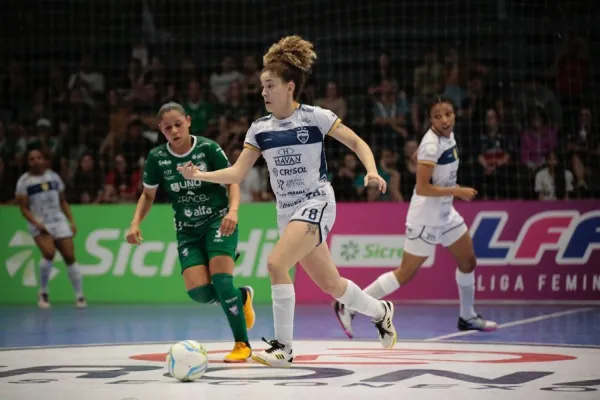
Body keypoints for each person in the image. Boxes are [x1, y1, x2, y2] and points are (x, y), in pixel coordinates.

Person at [178, 35, 397, 368]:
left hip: (317, 201)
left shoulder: (316, 117)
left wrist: (371, 171)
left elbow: (357, 142)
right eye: (262, 87)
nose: (263, 92)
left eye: (270, 86)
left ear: (290, 87)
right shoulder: (259, 129)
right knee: (332, 285)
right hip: (287, 212)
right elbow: (237, 173)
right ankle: (381, 311)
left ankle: (284, 348)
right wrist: (199, 175)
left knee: (276, 263)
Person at [333, 95, 498, 338]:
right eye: (438, 116)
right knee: (405, 273)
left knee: (468, 261)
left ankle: (467, 316)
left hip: (445, 213)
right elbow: (422, 188)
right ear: (430, 119)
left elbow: (426, 161)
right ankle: (348, 305)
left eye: (448, 114)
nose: (444, 120)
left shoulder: (446, 136)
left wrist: (424, 161)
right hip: (425, 217)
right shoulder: (432, 145)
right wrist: (457, 191)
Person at [126, 102, 255, 363]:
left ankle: (242, 344)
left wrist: (233, 212)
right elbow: (148, 195)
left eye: (178, 124)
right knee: (199, 292)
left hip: (218, 221)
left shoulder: (208, 148)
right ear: (160, 130)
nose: (174, 130)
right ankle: (241, 296)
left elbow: (232, 180)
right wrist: (135, 223)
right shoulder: (157, 158)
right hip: (187, 230)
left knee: (221, 281)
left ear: (188, 121)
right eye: (167, 127)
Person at [15, 149, 86, 309]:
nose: (36, 161)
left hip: (58, 221)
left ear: (44, 160)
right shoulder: (24, 182)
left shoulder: (54, 177)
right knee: (49, 253)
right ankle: (43, 292)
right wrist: (36, 223)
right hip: (40, 223)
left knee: (69, 256)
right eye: (32, 159)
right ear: (28, 162)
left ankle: (79, 295)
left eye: (39, 157)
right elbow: (23, 208)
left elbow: (62, 201)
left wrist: (72, 221)